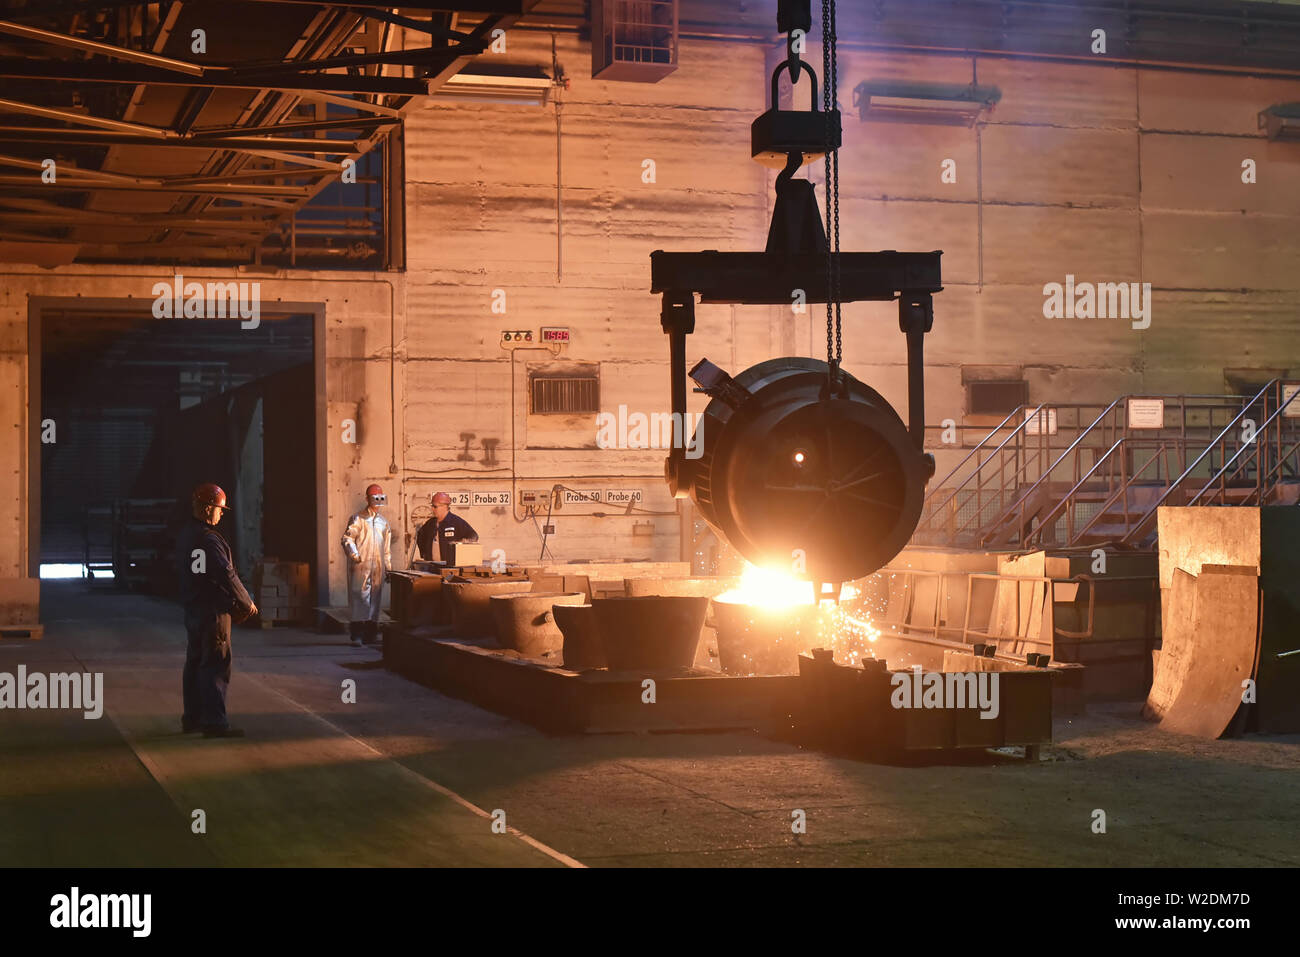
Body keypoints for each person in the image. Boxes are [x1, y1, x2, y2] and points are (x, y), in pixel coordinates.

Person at [177, 483, 256, 739]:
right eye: (220, 509)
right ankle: (215, 723)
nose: (222, 514)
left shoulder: (187, 534)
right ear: (208, 508)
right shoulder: (209, 539)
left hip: (193, 609)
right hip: (212, 612)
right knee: (215, 664)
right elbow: (226, 574)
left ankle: (193, 719)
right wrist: (245, 602)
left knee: (195, 662)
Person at [342, 483, 392, 646]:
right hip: (361, 566)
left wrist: (388, 568)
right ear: (367, 499)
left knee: (375, 599)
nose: (377, 500)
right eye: (374, 497)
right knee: (360, 598)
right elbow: (347, 538)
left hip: (378, 566)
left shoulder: (383, 523)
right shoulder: (358, 519)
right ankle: (356, 633)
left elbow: (386, 548)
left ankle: (370, 634)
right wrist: (355, 555)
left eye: (380, 497)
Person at [416, 491, 478, 563]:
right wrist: (424, 554)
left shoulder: (456, 522)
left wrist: (461, 544)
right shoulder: (430, 524)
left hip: (450, 567)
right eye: (432, 506)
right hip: (432, 566)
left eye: (435, 506)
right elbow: (420, 536)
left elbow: (474, 536)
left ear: (445, 506)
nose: (432, 509)